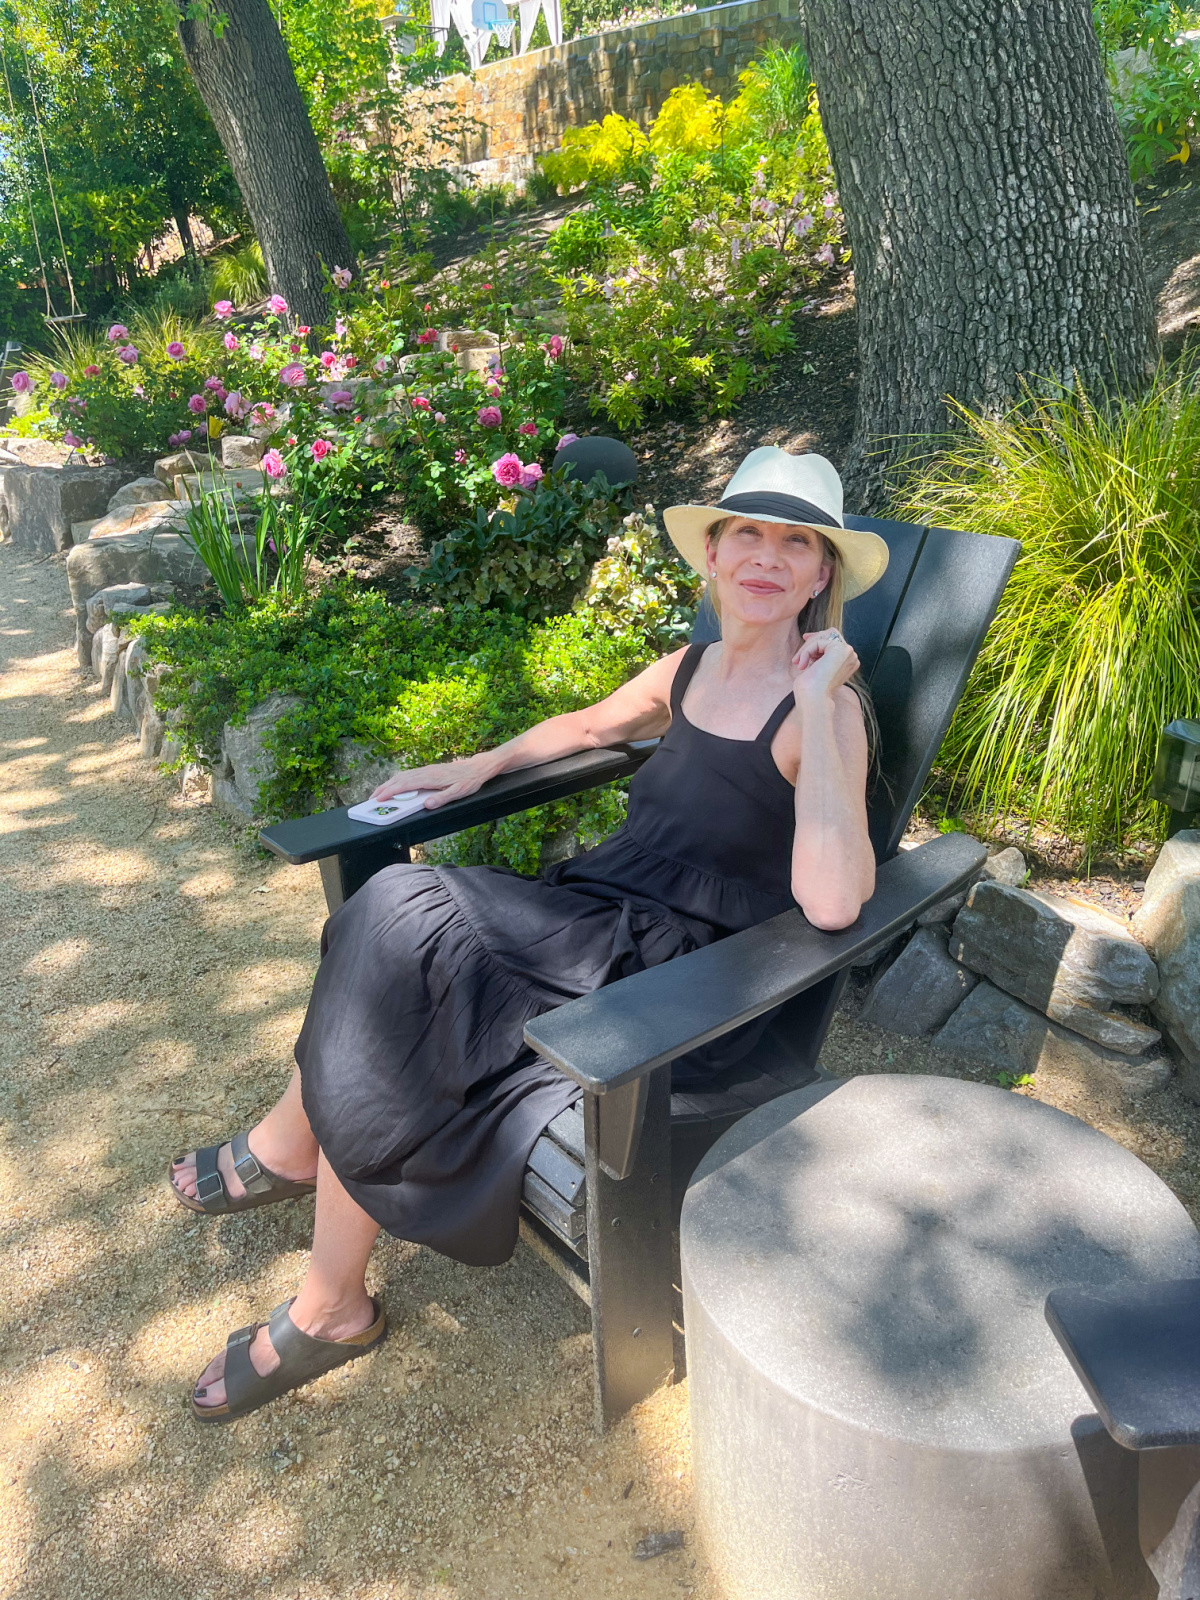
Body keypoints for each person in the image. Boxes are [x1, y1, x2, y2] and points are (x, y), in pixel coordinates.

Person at [169, 446, 887, 1422]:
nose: (766, 556)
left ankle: (309, 1224)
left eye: (794, 543)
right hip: (591, 917)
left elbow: (837, 900)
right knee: (396, 944)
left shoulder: (826, 713)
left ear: (819, 575)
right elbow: (593, 724)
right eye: (745, 534)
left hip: (675, 980)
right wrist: (479, 763)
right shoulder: (694, 665)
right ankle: (310, 1223)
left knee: (395, 917)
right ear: (711, 557)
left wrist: (816, 694)